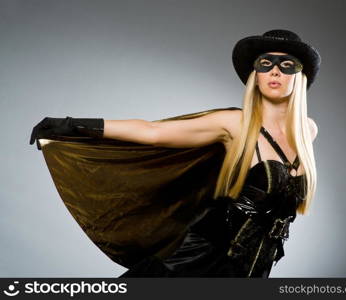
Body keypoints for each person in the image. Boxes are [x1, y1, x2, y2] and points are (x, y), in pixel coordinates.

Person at [29, 29, 320, 277]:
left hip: (256, 267)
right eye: (265, 63)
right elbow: (152, 131)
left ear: (300, 76)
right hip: (202, 256)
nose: (275, 71)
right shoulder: (235, 123)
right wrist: (73, 125)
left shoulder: (308, 131)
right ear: (254, 75)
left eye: (287, 65)